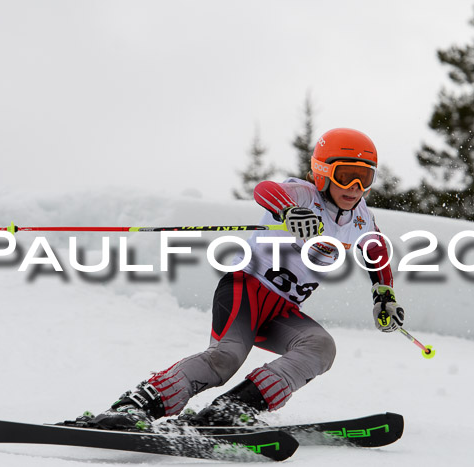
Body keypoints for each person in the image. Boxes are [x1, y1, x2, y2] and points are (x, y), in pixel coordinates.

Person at [90, 128, 406, 429]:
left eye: (365, 179)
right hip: (246, 289)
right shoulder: (303, 194)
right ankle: (135, 406)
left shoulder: (362, 216)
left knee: (320, 347)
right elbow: (265, 190)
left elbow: (375, 248)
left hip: (282, 309)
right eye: (345, 176)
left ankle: (233, 409)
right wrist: (289, 211)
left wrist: (384, 295)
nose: (355, 188)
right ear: (323, 172)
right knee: (226, 358)